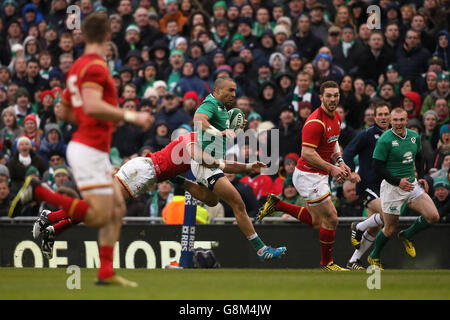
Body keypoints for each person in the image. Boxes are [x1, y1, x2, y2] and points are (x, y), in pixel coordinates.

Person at [8, 13, 153, 287]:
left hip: (90, 146)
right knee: (100, 214)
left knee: (117, 208)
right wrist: (131, 116)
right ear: (108, 36)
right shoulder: (96, 67)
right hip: (88, 147)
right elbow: (92, 105)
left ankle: (106, 273)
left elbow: (63, 110)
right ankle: (38, 193)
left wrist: (91, 117)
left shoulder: (77, 67)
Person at [258, 80, 359, 271]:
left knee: (316, 222)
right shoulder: (315, 122)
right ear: (320, 97)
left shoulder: (336, 117)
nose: (332, 99)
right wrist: (332, 168)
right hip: (307, 175)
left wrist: (340, 162)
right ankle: (327, 263)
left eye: (335, 95)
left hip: (319, 174)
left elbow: (333, 142)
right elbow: (306, 153)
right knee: (332, 218)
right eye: (328, 95)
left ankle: (277, 204)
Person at [192, 76, 287, 261]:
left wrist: (249, 166)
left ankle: (179, 180)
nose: (234, 95)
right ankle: (262, 250)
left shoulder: (222, 110)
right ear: (218, 90)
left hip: (210, 162)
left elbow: (224, 160)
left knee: (212, 201)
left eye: (235, 90)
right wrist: (218, 132)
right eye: (230, 90)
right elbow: (198, 119)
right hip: (203, 163)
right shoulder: (210, 104)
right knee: (237, 202)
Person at [368, 107, 440, 269]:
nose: (399, 123)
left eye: (402, 120)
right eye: (395, 120)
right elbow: (377, 167)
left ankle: (407, 235)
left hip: (412, 185)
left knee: (433, 216)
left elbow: (420, 158)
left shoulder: (414, 137)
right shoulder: (385, 140)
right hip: (392, 188)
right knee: (390, 228)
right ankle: (374, 256)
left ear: (407, 121)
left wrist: (421, 176)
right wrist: (398, 181)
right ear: (391, 121)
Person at [343, 101, 391, 269]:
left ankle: (353, 260)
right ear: (374, 117)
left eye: (386, 114)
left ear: (390, 116)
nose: (383, 117)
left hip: (386, 185)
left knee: (375, 228)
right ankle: (358, 226)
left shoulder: (393, 135)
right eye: (380, 115)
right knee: (388, 217)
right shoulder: (367, 134)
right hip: (368, 185)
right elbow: (348, 153)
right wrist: (351, 173)